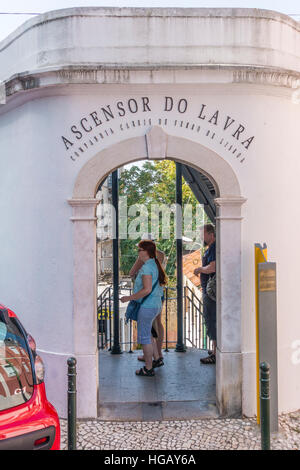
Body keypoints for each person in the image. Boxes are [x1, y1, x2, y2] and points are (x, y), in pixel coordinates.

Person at [120, 239, 168, 376]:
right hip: (155, 304)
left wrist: (128, 298)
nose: (138, 252)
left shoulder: (147, 267)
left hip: (147, 306)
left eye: (140, 250)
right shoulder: (154, 263)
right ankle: (157, 358)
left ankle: (148, 368)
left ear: (146, 251)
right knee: (150, 333)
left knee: (145, 338)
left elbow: (146, 289)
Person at [129, 233, 167, 364]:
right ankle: (158, 353)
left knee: (147, 327)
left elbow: (131, 272)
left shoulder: (145, 260)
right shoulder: (161, 255)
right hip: (159, 293)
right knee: (158, 323)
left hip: (147, 296)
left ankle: (149, 357)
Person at [193, 224, 216, 364]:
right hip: (208, 290)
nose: (201, 237)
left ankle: (215, 353)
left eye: (203, 234)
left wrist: (199, 269)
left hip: (211, 293)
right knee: (210, 319)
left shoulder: (213, 248)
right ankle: (215, 349)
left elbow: (213, 266)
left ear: (210, 234)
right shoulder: (210, 248)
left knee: (212, 319)